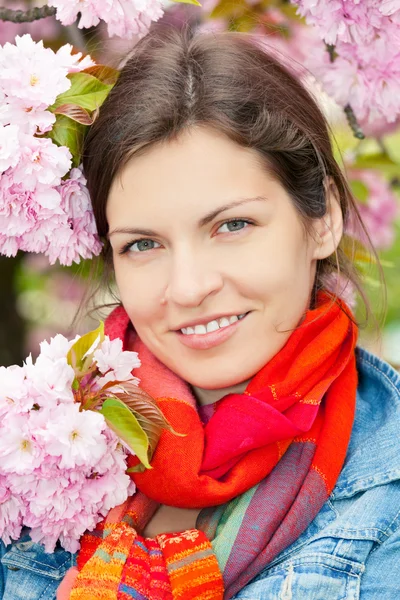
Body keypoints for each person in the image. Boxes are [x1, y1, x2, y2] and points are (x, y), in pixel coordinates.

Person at [1, 24, 400, 600]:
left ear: (323, 221)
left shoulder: (384, 491)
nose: (188, 288)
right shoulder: (41, 455)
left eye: (232, 225)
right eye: (143, 244)